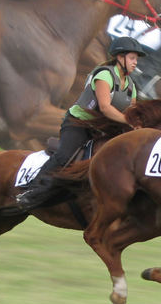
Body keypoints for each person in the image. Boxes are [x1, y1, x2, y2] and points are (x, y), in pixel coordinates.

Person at [16, 36, 146, 211]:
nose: (135, 62)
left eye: (136, 59)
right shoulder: (105, 75)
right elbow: (105, 108)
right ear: (119, 57)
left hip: (104, 129)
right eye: (132, 58)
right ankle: (31, 191)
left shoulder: (131, 85)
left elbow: (130, 110)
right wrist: (128, 121)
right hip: (79, 124)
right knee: (64, 156)